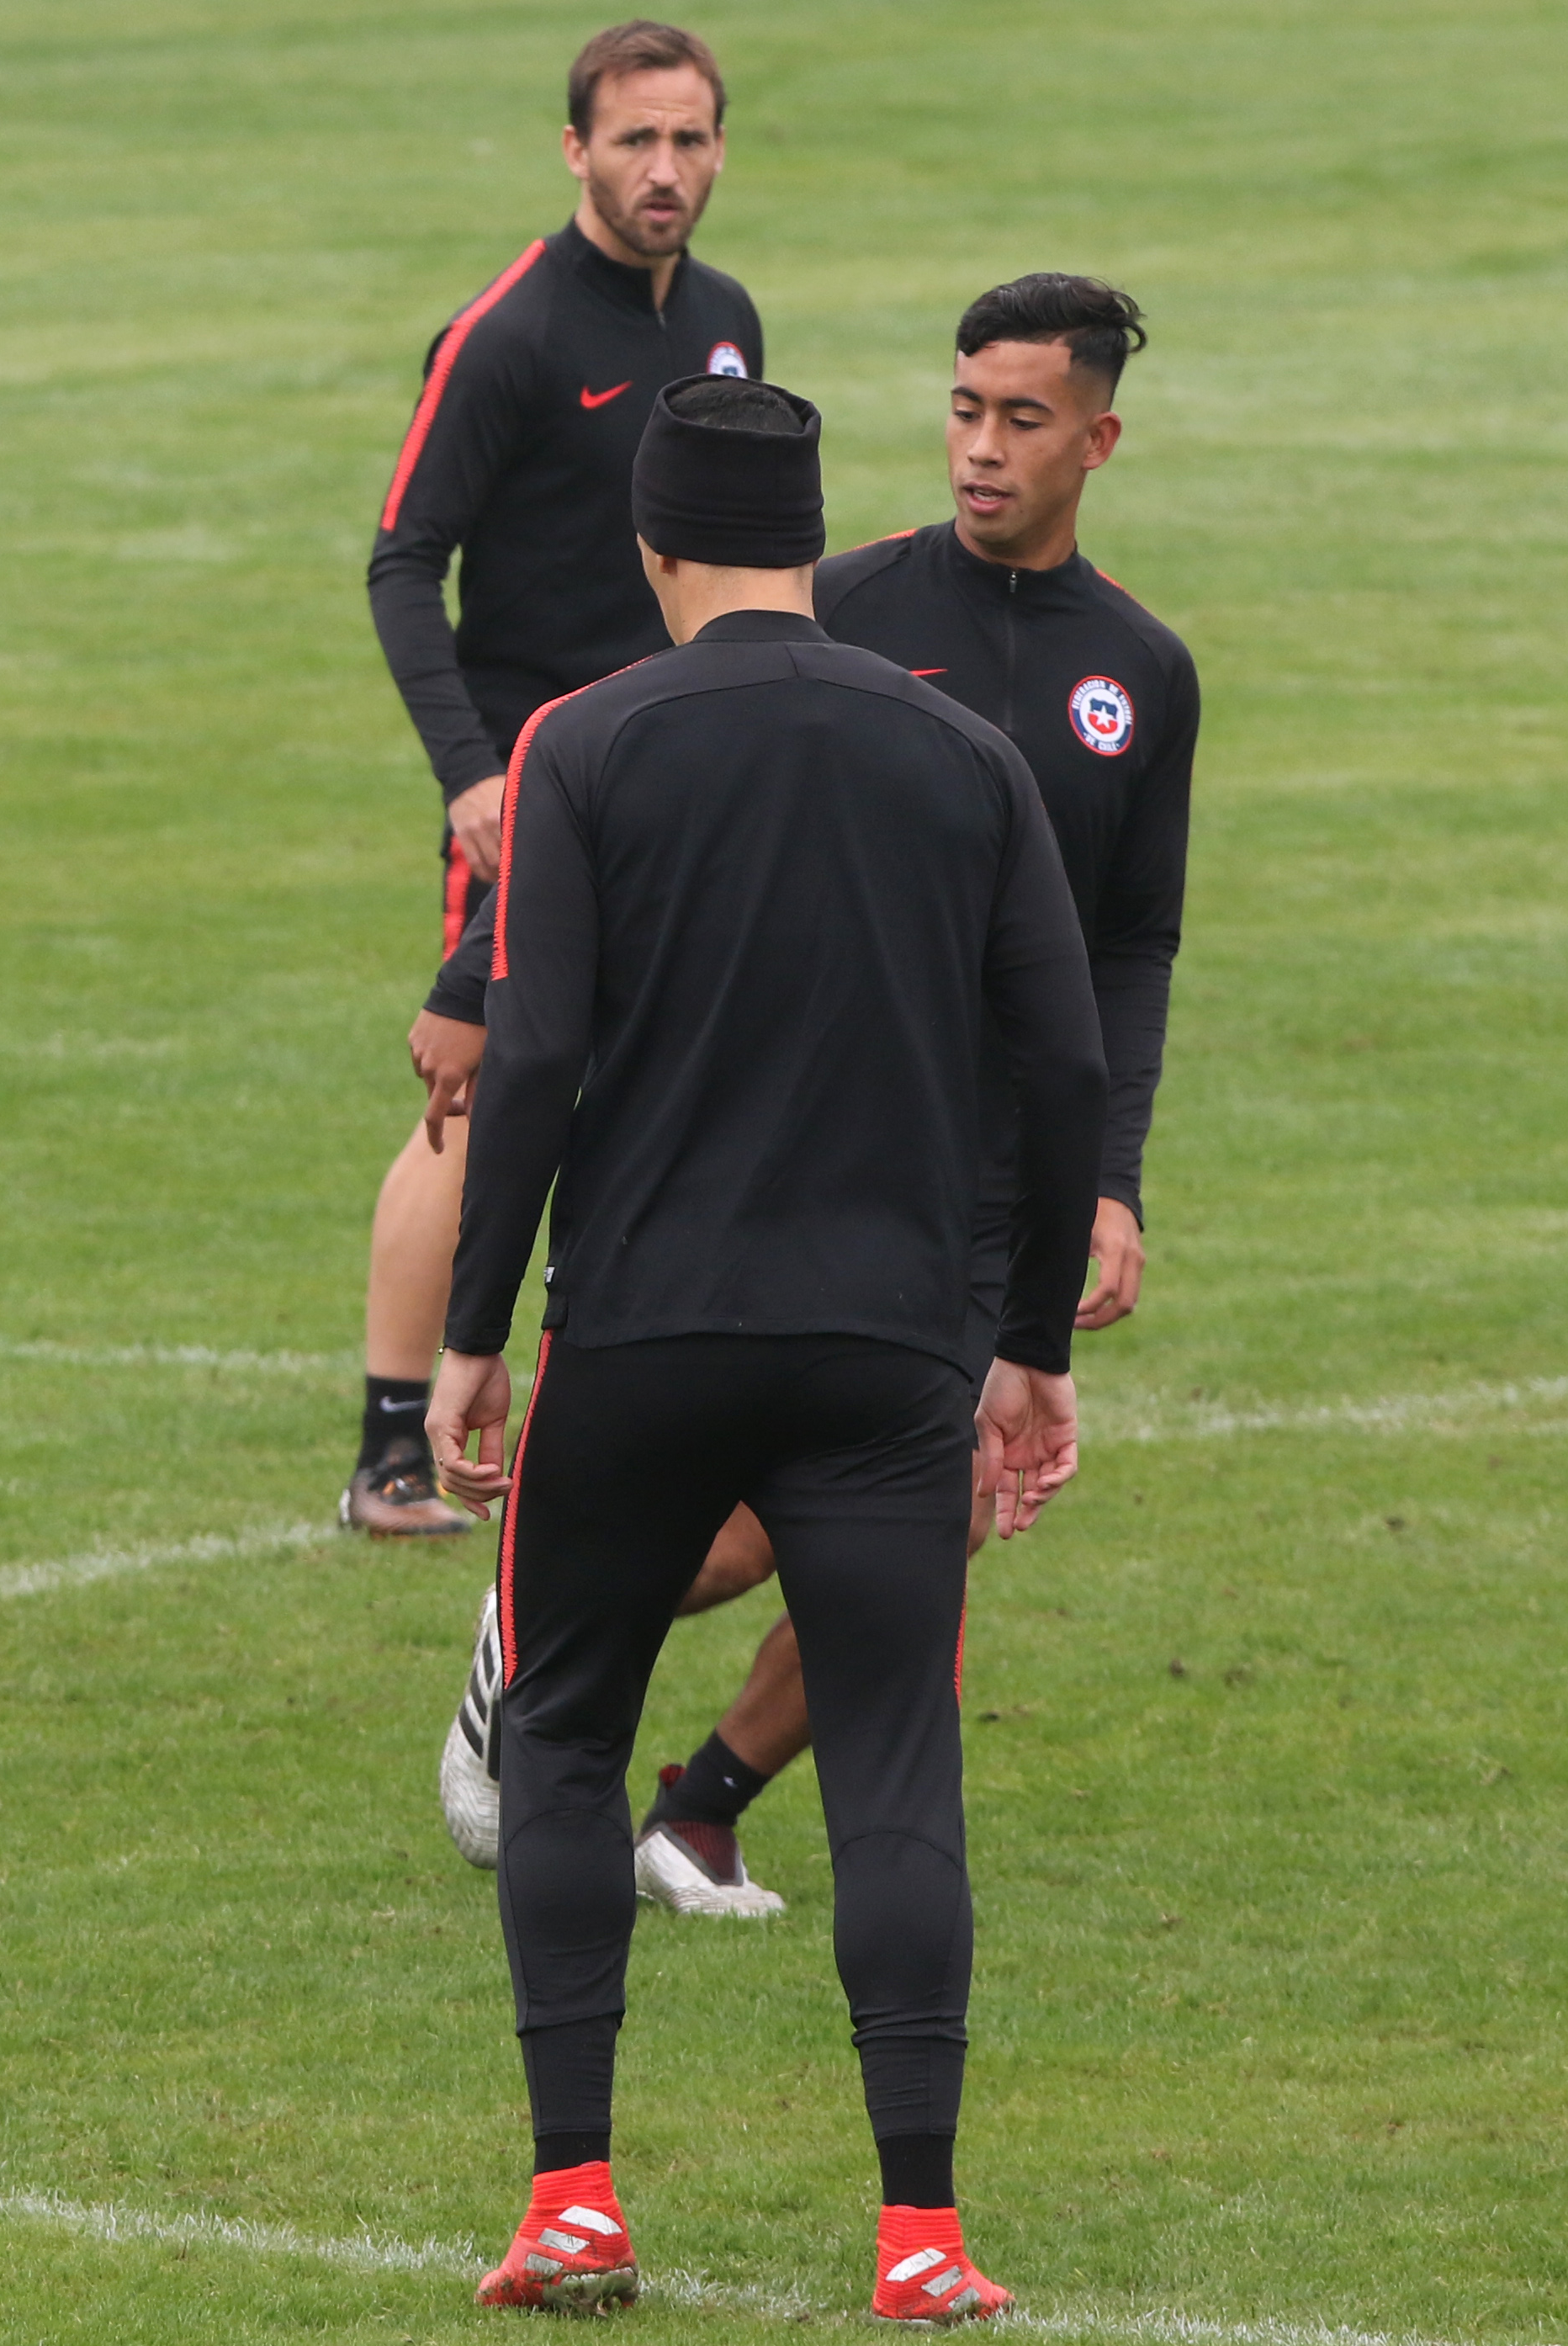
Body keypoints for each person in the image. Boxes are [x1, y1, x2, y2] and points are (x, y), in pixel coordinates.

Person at [426, 376, 1100, 2320]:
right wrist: (1030, 1339)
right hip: (890, 1346)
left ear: (651, 544)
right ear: (816, 538)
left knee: (557, 1735)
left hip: (641, 1330)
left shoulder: (585, 737)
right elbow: (1056, 1059)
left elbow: (536, 1050)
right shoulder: (961, 749)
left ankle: (574, 2199)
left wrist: (474, 1332)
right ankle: (923, 2232)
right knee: (897, 1753)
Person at [426, 278, 1195, 1918]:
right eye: (965, 409)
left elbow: (1130, 948)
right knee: (744, 1533)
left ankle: (698, 1809)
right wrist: (466, 985)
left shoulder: (1141, 670)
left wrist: (1107, 1179)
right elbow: (619, 800)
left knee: (946, 1527)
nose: (983, 450)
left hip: (994, 1171)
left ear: (1099, 437)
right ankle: (535, 1642)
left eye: (1025, 419)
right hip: (830, 1135)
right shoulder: (829, 602)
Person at [347, 19, 765, 1538]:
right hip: (537, 788)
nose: (667, 169)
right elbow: (404, 563)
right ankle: (393, 1443)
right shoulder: (510, 335)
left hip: (685, 765)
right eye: (637, 140)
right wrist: (472, 772)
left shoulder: (726, 323)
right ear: (574, 149)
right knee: (481, 1086)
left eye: (692, 139)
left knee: (645, 1076)